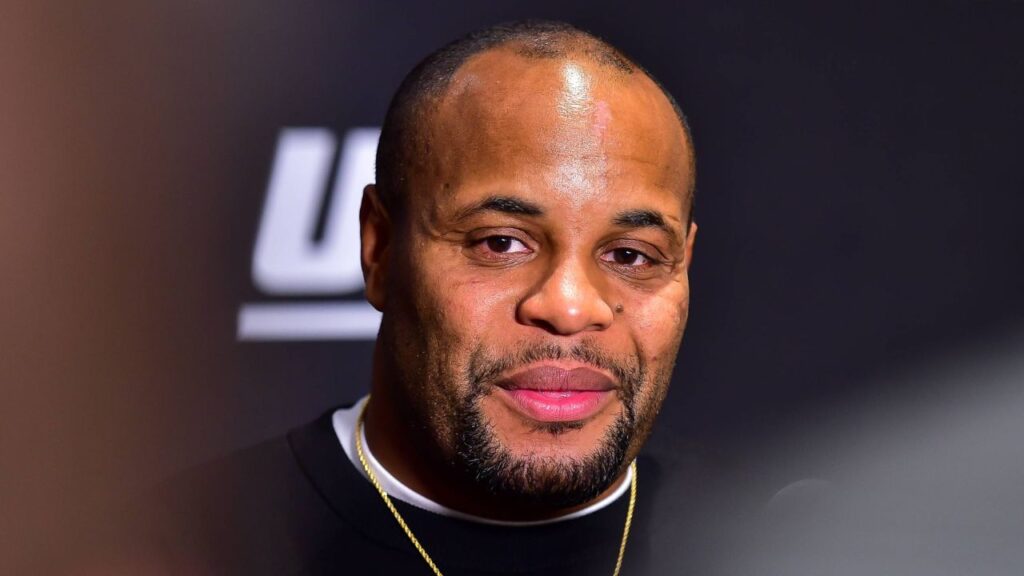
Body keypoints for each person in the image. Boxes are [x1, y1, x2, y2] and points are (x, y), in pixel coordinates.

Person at [119, 20, 745, 575]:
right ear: (380, 249)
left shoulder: (783, 548)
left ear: (683, 264)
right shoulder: (170, 552)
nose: (570, 307)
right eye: (502, 243)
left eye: (630, 256)